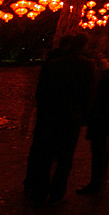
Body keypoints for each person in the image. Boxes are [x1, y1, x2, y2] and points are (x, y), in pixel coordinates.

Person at [24, 33, 95, 205]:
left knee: (46, 154)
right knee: (65, 156)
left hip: (50, 114)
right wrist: (85, 116)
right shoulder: (87, 65)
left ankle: (40, 191)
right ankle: (57, 192)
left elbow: (41, 91)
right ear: (84, 46)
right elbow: (87, 94)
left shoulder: (54, 65)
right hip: (71, 116)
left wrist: (42, 112)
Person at [76, 46, 109, 195]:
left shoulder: (102, 80)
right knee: (102, 149)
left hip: (101, 118)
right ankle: (99, 180)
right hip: (107, 118)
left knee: (99, 149)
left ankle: (97, 183)